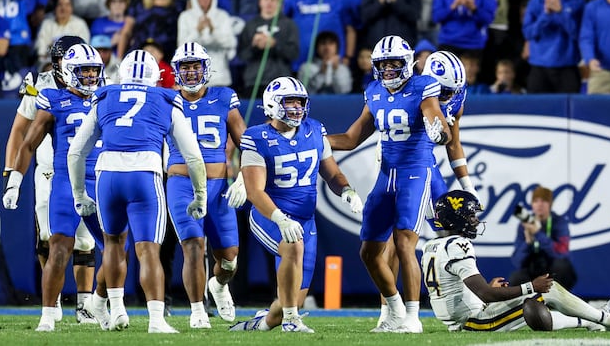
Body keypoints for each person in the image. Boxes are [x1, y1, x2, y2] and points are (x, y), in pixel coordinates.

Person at [67, 49, 208, 334]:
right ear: (156, 76)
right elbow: (193, 156)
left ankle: (117, 309)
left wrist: (79, 194)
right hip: (145, 174)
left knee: (113, 244)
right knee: (148, 250)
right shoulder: (166, 99)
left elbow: (76, 152)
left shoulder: (105, 96)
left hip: (107, 175)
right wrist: (200, 194)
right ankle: (156, 320)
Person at [327, 35, 451, 333]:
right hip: (387, 175)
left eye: (394, 63)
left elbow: (437, 122)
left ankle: (413, 317)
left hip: (415, 171)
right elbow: (351, 138)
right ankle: (394, 308)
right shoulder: (374, 91)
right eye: (383, 64)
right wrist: (313, 139)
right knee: (368, 252)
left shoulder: (423, 86)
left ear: (407, 63)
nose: (388, 70)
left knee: (405, 242)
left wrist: (439, 131)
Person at [236, 76, 363, 332]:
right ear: (272, 104)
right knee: (294, 246)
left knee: (293, 298)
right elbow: (254, 192)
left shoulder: (314, 130)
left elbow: (332, 174)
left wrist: (347, 190)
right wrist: (280, 219)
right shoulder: (256, 137)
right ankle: (292, 321)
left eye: (299, 102)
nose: (296, 108)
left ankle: (261, 324)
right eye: (289, 102)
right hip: (269, 215)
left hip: (306, 219)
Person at [423, 190, 610, 332]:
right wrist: (531, 286)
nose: (475, 220)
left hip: (463, 319)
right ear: (457, 217)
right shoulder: (457, 245)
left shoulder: (431, 246)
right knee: (547, 290)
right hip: (474, 321)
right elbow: (486, 294)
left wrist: (485, 291)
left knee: (539, 301)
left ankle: (594, 319)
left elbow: (451, 290)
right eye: (471, 215)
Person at [5, 43, 107, 332]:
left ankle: (94, 304)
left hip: (97, 176)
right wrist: (12, 178)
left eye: (93, 70)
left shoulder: (106, 92)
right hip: (55, 172)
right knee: (53, 241)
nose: (89, 75)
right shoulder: (45, 90)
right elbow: (23, 135)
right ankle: (51, 307)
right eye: (83, 69)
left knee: (100, 244)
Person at [166, 42, 247, 328]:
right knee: (193, 245)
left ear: (205, 68)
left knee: (229, 259)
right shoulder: (167, 100)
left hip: (217, 187)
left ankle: (219, 285)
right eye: (185, 67)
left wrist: (243, 177)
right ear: (176, 71)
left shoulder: (224, 97)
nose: (190, 72)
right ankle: (197, 310)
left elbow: (246, 142)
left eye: (195, 66)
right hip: (181, 184)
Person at [522, 0, 585, 94]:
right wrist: (546, 15)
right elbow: (528, 33)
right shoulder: (535, 2)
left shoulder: (578, 2)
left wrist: (561, 12)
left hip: (567, 66)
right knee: (536, 106)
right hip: (539, 66)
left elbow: (578, 34)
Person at [237, 0, 300, 98]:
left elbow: (293, 53)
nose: (269, 3)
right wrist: (254, 46)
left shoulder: (289, 24)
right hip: (254, 82)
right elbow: (242, 56)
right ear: (260, 2)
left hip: (280, 82)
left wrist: (275, 44)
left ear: (279, 3)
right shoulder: (250, 25)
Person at [509, 186, 577, 290]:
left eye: (544, 201)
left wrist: (538, 233)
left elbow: (562, 253)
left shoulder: (559, 222)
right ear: (532, 204)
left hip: (552, 268)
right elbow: (517, 261)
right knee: (516, 278)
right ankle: (527, 299)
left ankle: (557, 298)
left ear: (550, 204)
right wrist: (527, 243)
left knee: (562, 267)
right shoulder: (524, 225)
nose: (539, 204)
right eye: (536, 201)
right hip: (533, 268)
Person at [177, 0, 237, 87]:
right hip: (193, 79)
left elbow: (231, 42)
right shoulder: (185, 17)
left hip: (220, 77)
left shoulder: (222, 16)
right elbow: (181, 47)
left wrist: (213, 30)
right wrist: (197, 31)